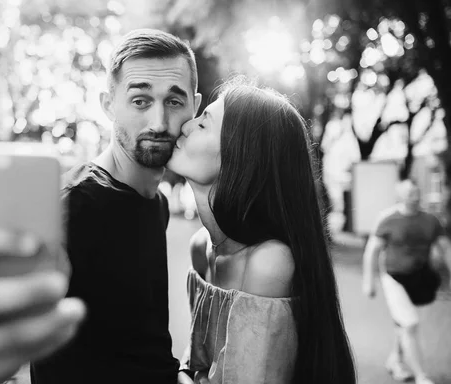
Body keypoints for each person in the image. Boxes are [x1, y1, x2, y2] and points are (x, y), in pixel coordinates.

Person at [0, 28, 202, 384]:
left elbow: (140, 343)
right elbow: (1, 331)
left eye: (174, 101)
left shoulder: (158, 204)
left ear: (194, 106)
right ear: (109, 106)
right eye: (140, 101)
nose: (159, 122)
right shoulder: (74, 206)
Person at [167, 79, 357, 384]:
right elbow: (196, 361)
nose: (187, 126)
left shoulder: (269, 262)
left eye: (204, 124)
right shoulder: (201, 247)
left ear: (239, 157)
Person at [363, 179, 451, 384]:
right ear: (400, 196)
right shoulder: (387, 219)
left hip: (418, 277)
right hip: (393, 278)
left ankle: (396, 360)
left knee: (402, 323)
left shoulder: (431, 220)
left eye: (416, 192)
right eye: (409, 193)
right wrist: (369, 282)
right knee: (410, 323)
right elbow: (372, 251)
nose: (415, 196)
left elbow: (446, 249)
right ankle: (421, 375)